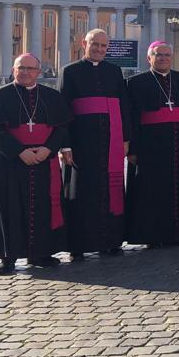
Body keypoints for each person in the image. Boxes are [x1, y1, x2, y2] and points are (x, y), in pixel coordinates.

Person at [58, 28, 132, 260]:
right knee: (80, 192)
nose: (100, 49)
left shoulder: (114, 71)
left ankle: (110, 241)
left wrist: (126, 138)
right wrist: (65, 145)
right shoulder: (69, 71)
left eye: (103, 46)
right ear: (84, 43)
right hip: (81, 143)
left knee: (110, 190)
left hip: (111, 140)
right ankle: (77, 245)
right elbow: (62, 110)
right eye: (95, 44)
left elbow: (124, 106)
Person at [0, 54, 71, 274]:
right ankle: (6, 257)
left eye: (30, 68)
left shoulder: (51, 96)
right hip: (9, 161)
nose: (26, 72)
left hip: (44, 158)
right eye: (21, 68)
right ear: (13, 69)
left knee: (44, 206)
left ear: (39, 72)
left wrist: (49, 149)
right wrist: (19, 151)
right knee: (9, 207)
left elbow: (62, 128)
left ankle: (41, 253)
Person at [125, 42, 179, 247]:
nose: (163, 58)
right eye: (158, 55)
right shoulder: (135, 83)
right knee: (151, 190)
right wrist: (132, 149)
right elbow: (130, 117)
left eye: (167, 55)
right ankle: (152, 236)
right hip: (150, 147)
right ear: (149, 58)